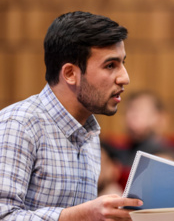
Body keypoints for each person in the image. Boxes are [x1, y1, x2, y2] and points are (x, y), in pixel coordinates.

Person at [0, 11, 143, 220]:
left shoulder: (89, 134)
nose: (125, 78)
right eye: (110, 65)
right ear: (69, 74)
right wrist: (74, 216)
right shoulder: (18, 125)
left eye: (123, 63)